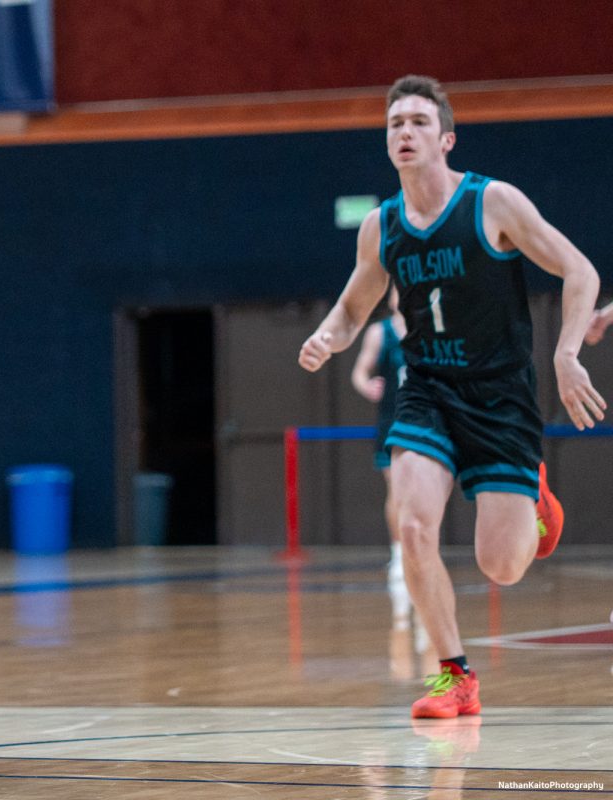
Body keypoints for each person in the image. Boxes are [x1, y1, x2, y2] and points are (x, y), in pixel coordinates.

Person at [298, 75, 605, 720]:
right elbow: (354, 309)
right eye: (394, 124)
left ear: (446, 138)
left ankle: (537, 496)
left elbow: (580, 271)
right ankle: (454, 674)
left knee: (503, 567)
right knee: (411, 525)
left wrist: (566, 352)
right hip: (428, 391)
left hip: (499, 399)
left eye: (416, 122)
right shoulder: (381, 226)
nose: (404, 132)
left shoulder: (492, 203)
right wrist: (327, 337)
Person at [350, 284, 411, 622]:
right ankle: (399, 552)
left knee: (422, 491)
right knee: (396, 491)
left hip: (425, 420)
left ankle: (421, 549)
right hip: (392, 422)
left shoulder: (430, 326)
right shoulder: (380, 331)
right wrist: (366, 385)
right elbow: (359, 371)